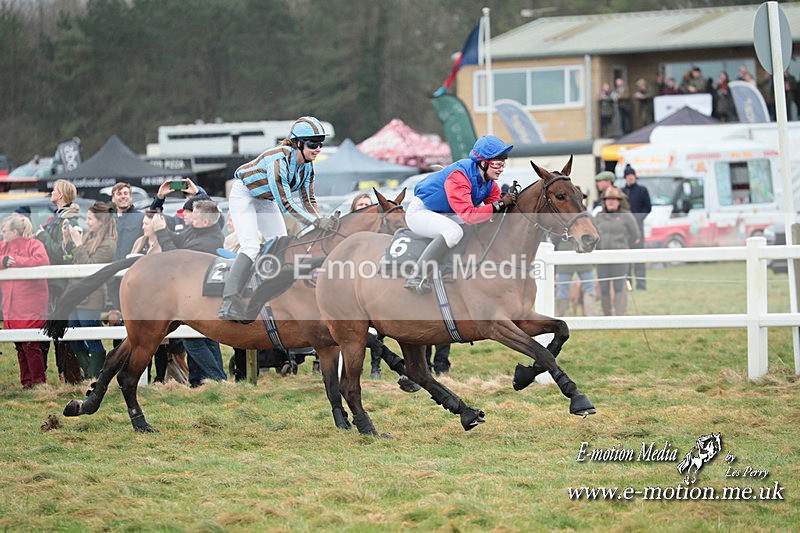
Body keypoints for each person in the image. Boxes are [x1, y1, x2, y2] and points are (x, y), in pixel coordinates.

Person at [219, 116, 331, 321]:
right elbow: (286, 204)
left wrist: (323, 219)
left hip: (265, 198)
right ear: (298, 143)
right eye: (313, 144)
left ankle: (266, 288)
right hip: (245, 195)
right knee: (251, 246)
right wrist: (315, 222)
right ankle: (228, 301)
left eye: (320, 144)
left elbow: (309, 200)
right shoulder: (280, 160)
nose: (318, 149)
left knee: (282, 242)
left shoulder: (307, 166)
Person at [404, 135, 516, 294]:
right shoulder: (459, 176)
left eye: (503, 164)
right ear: (483, 163)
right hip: (422, 211)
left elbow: (495, 211)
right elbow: (470, 215)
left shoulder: (489, 183)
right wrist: (500, 204)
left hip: (446, 212)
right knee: (453, 232)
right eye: (498, 164)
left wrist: (508, 203)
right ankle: (416, 276)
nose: (502, 169)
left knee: (476, 227)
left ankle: (450, 267)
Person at [151, 200, 227, 386]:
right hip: (198, 296)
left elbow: (176, 259)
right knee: (207, 340)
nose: (189, 215)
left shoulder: (209, 241)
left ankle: (218, 380)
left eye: (195, 214)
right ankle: (203, 381)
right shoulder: (198, 231)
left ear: (206, 222)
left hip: (202, 298)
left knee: (194, 341)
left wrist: (161, 232)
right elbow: (176, 240)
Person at [128, 210, 188, 384]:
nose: (143, 226)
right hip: (139, 295)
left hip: (159, 296)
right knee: (140, 338)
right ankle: (142, 376)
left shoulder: (164, 244)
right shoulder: (140, 242)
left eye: (146, 223)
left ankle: (160, 379)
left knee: (160, 340)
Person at [63, 201, 117, 379]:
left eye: (89, 218)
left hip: (92, 296)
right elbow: (75, 261)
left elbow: (90, 268)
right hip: (75, 294)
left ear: (100, 221)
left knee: (92, 337)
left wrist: (78, 244)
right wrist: (68, 241)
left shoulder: (108, 244)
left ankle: (95, 377)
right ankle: (89, 374)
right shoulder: (87, 236)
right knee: (72, 336)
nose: (86, 222)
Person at [34, 179, 82, 381]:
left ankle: (69, 375)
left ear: (61, 195)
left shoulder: (68, 220)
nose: (51, 192)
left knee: (60, 328)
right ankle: (64, 373)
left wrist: (42, 237)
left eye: (54, 190)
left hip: (60, 283)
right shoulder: (60, 217)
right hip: (55, 281)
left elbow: (61, 254)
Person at [0, 215, 50, 389]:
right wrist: (4, 262)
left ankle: (38, 381)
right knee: (20, 345)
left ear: (14, 232)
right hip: (11, 304)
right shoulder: (3, 247)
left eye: (4, 230)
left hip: (30, 304)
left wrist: (16, 263)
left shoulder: (34, 245)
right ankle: (26, 381)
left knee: (30, 344)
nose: (2, 234)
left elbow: (42, 261)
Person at [595, 187, 640, 316]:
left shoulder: (626, 216)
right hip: (602, 257)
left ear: (619, 201)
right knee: (603, 287)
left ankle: (621, 313)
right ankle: (607, 313)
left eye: (614, 199)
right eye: (608, 199)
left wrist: (623, 246)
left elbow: (635, 235)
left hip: (620, 257)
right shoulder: (599, 216)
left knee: (619, 286)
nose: (611, 202)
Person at [554, 189, 596, 317]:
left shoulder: (563, 217)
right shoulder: (586, 216)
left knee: (588, 287)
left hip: (581, 257)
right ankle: (559, 316)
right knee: (563, 289)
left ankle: (589, 317)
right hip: (568, 258)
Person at [106, 182, 145, 311]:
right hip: (112, 275)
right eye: (119, 194)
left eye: (126, 193)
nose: (123, 197)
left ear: (130, 197)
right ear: (113, 198)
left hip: (131, 273)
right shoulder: (109, 219)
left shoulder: (140, 218)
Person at [621, 164, 651, 290]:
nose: (630, 178)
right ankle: (628, 285)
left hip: (638, 228)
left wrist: (637, 219)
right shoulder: (621, 192)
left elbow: (647, 207)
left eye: (632, 175)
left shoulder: (642, 190)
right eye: (628, 176)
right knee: (626, 260)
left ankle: (641, 285)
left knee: (639, 259)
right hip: (625, 231)